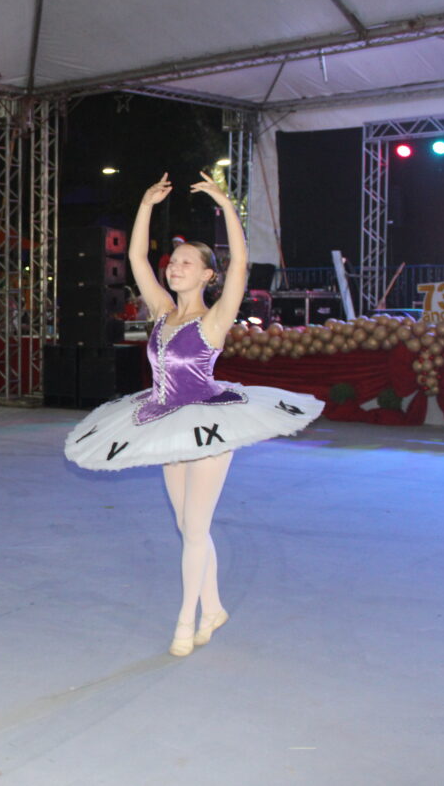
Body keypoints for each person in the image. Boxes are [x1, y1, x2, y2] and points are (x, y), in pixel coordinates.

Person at [64, 173, 323, 657]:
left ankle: (186, 621)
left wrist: (226, 205)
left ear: (208, 276)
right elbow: (136, 259)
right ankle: (215, 607)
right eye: (174, 261)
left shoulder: (214, 319)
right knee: (188, 528)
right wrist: (145, 204)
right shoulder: (162, 311)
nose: (175, 267)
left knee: (196, 529)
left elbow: (240, 263)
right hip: (164, 420)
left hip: (207, 425)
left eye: (187, 263)